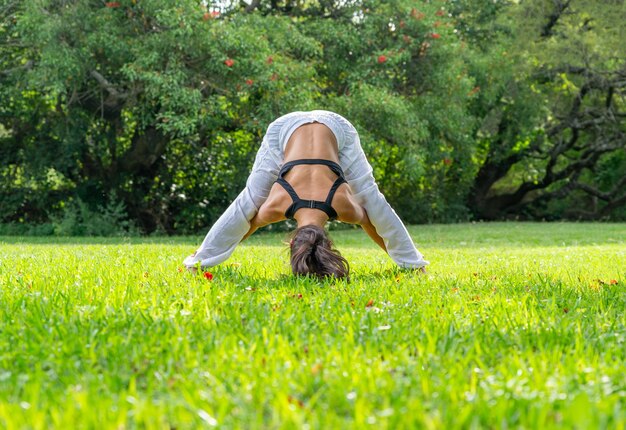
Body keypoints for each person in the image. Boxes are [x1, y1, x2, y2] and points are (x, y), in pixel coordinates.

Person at [183, 110, 429, 279]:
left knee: (250, 200)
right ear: (293, 241)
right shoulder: (277, 207)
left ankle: (199, 259)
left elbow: (242, 226)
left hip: (318, 127)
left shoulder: (343, 207)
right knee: (370, 197)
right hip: (307, 128)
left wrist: (211, 255)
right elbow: (376, 223)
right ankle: (414, 266)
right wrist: (405, 264)